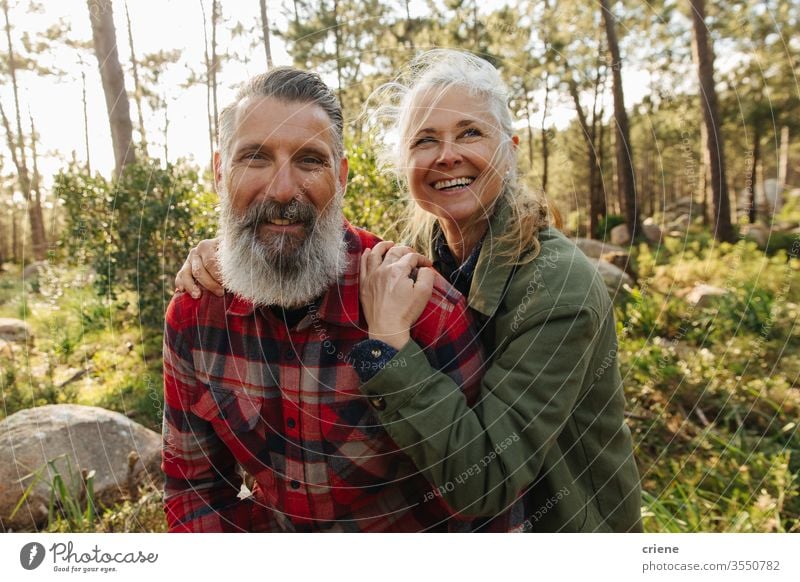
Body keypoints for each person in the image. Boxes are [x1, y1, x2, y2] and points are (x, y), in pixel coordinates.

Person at [176, 50, 643, 532]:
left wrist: (391, 344)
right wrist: (247, 247)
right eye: (425, 140)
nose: (447, 154)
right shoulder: (424, 250)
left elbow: (487, 483)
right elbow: (318, 241)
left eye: (470, 132)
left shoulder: (558, 285)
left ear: (511, 147)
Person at [162, 66, 485, 532]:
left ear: (341, 176)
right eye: (254, 157)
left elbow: (482, 511)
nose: (282, 189)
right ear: (219, 172)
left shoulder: (423, 305)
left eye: (310, 160)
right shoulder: (195, 314)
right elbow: (193, 493)